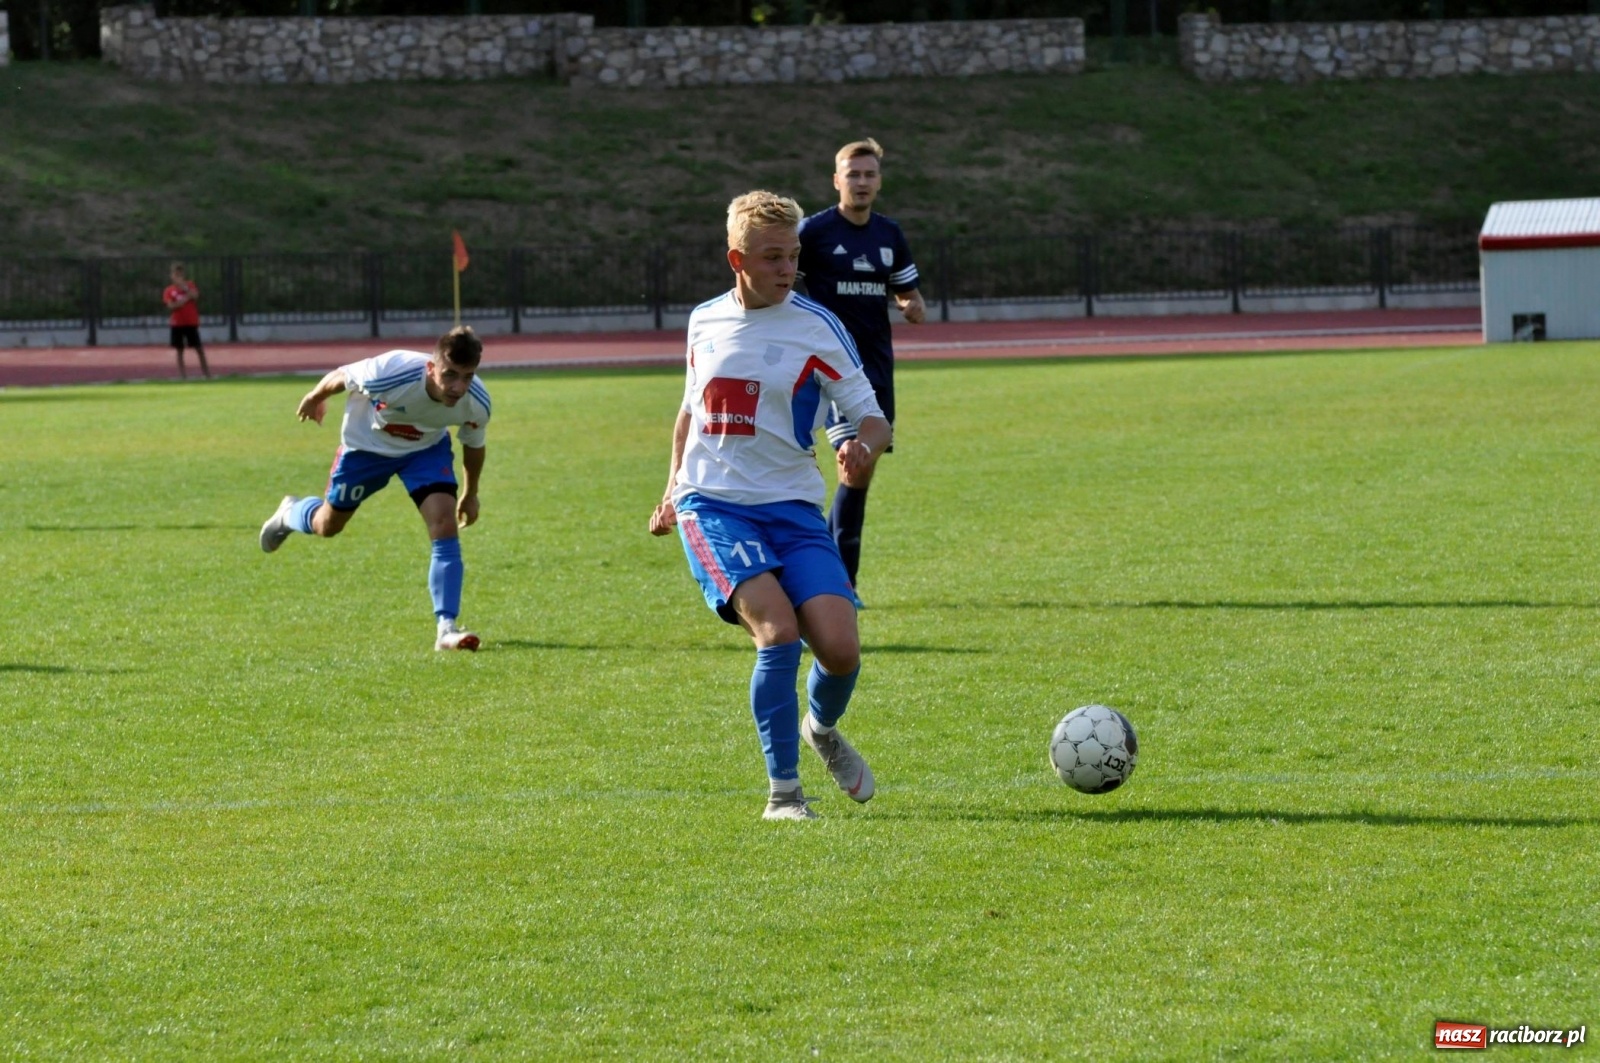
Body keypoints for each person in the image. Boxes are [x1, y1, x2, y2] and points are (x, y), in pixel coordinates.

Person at [649, 190, 893, 822]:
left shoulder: (816, 326)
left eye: (793, 256)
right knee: (778, 632)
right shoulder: (704, 320)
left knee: (840, 649)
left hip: (793, 507)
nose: (788, 269)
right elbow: (689, 413)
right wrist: (672, 488)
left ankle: (821, 729)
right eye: (772, 258)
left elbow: (871, 414)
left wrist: (863, 449)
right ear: (738, 259)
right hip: (715, 505)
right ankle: (784, 793)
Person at [258, 326, 491, 653]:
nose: (457, 387)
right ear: (430, 367)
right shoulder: (390, 372)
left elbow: (474, 445)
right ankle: (290, 513)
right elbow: (342, 375)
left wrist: (471, 492)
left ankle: (446, 628)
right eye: (449, 375)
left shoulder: (476, 401)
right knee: (328, 526)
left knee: (444, 525)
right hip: (364, 448)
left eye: (467, 377)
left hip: (423, 451)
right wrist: (315, 397)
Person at [796, 138, 926, 594]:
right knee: (852, 465)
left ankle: (831, 575)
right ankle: (841, 584)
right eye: (853, 174)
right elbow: (780, 282)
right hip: (830, 368)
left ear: (879, 181)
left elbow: (907, 290)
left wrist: (911, 304)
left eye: (870, 174)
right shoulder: (813, 233)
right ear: (837, 180)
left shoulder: (889, 234)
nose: (862, 182)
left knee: (861, 473)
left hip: (877, 367)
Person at [162, 262, 211, 380]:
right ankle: (183, 376)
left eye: (180, 275)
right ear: (172, 276)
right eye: (175, 275)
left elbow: (195, 296)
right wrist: (185, 299)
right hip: (178, 323)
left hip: (191, 322)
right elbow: (172, 306)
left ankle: (207, 374)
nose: (178, 277)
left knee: (199, 349)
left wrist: (185, 289)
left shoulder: (190, 285)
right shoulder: (169, 290)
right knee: (180, 350)